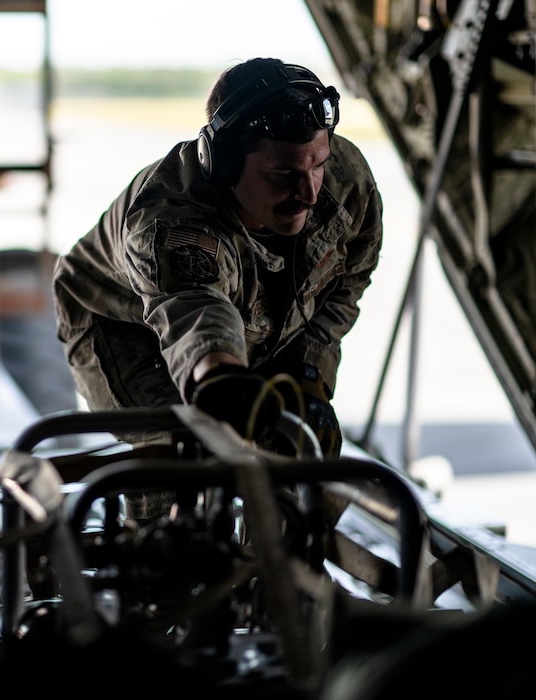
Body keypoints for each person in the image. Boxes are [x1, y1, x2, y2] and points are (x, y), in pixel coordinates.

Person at [52, 58, 383, 512]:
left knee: (306, 440)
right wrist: (222, 377)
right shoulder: (170, 222)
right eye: (282, 176)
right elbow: (197, 311)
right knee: (180, 472)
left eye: (317, 167)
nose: (308, 193)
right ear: (224, 163)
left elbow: (349, 279)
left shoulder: (346, 182)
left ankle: (278, 569)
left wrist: (310, 372)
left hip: (248, 328)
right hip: (120, 324)